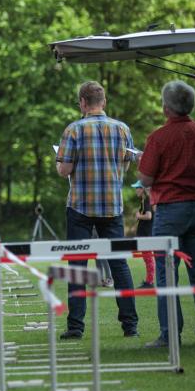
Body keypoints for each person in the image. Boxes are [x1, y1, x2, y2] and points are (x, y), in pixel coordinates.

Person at [138, 80, 195, 348]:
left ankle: (170, 334)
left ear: (166, 108)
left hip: (170, 209)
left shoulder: (158, 137)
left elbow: (146, 178)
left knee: (165, 272)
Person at [56, 81, 138, 339]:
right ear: (103, 102)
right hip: (112, 205)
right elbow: (128, 161)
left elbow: (64, 170)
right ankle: (130, 326)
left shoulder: (73, 130)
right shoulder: (122, 129)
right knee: (119, 265)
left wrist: (61, 160)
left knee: (77, 265)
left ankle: (76, 327)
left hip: (81, 205)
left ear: (82, 102)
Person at [131, 181, 154, 288]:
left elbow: (149, 216)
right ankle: (149, 281)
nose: (136, 190)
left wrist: (139, 216)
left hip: (146, 235)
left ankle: (149, 282)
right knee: (147, 258)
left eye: (138, 188)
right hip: (144, 234)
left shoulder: (147, 200)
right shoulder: (144, 201)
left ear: (143, 189)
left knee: (148, 258)